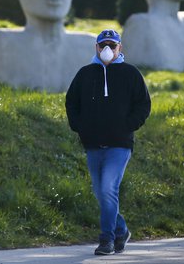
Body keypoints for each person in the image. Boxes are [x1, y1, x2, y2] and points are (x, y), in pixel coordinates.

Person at [65, 29, 151, 255]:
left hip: (120, 145)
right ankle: (121, 229)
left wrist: (128, 125)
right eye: (103, 45)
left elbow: (143, 104)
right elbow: (71, 102)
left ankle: (107, 240)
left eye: (112, 46)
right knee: (101, 193)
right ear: (96, 47)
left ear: (119, 48)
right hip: (93, 144)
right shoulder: (85, 74)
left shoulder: (130, 73)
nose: (107, 50)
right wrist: (79, 125)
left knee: (107, 188)